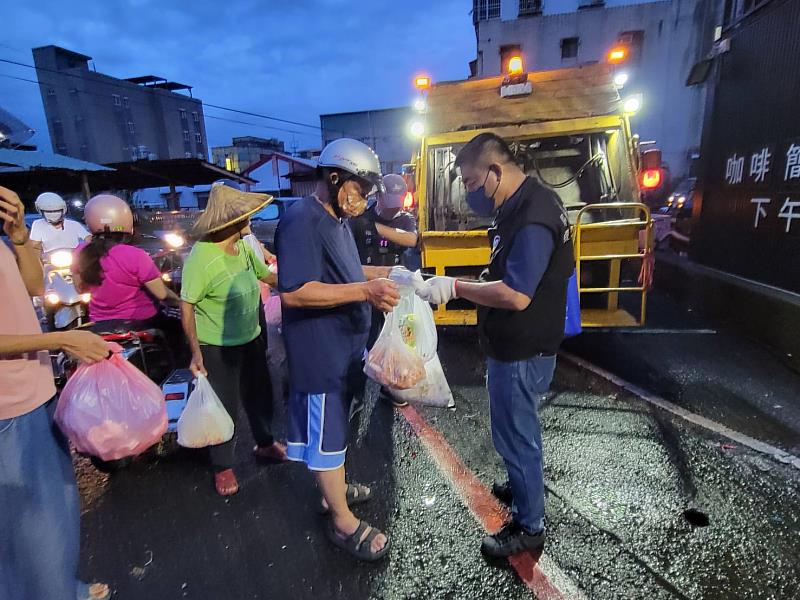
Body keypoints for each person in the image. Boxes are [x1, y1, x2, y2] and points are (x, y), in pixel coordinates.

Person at [418, 133, 574, 558]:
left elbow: (518, 294)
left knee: (515, 433)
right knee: (517, 429)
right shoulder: (518, 207)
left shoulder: (533, 215)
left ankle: (529, 527)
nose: (469, 192)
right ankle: (523, 487)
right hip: (514, 343)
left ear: (495, 171)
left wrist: (455, 287)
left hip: (523, 348)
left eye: (470, 182)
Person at [276, 138, 402, 562]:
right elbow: (294, 291)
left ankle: (336, 490)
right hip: (320, 354)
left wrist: (387, 273)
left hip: (344, 349)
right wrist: (365, 289)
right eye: (360, 188)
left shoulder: (337, 222)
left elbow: (345, 273)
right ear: (334, 178)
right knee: (325, 433)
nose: (364, 199)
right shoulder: (301, 220)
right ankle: (342, 522)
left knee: (337, 429)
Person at [0, 186, 111, 600]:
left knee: (54, 513)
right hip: (7, 408)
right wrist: (61, 343)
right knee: (26, 524)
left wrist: (19, 238)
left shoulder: (13, 236)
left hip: (34, 389)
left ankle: (58, 587)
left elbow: (32, 285)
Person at [181, 182, 286, 497]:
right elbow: (186, 307)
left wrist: (300, 284)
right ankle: (222, 465)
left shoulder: (245, 246)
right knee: (223, 405)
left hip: (251, 335)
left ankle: (265, 443)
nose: (250, 222)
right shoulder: (201, 258)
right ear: (230, 223)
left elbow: (266, 275)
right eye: (246, 218)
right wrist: (196, 353)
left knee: (260, 393)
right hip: (217, 346)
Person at [73, 194, 181, 327]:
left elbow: (80, 289)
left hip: (99, 323)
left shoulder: (80, 252)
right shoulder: (135, 254)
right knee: (178, 331)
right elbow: (162, 294)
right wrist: (181, 303)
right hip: (142, 321)